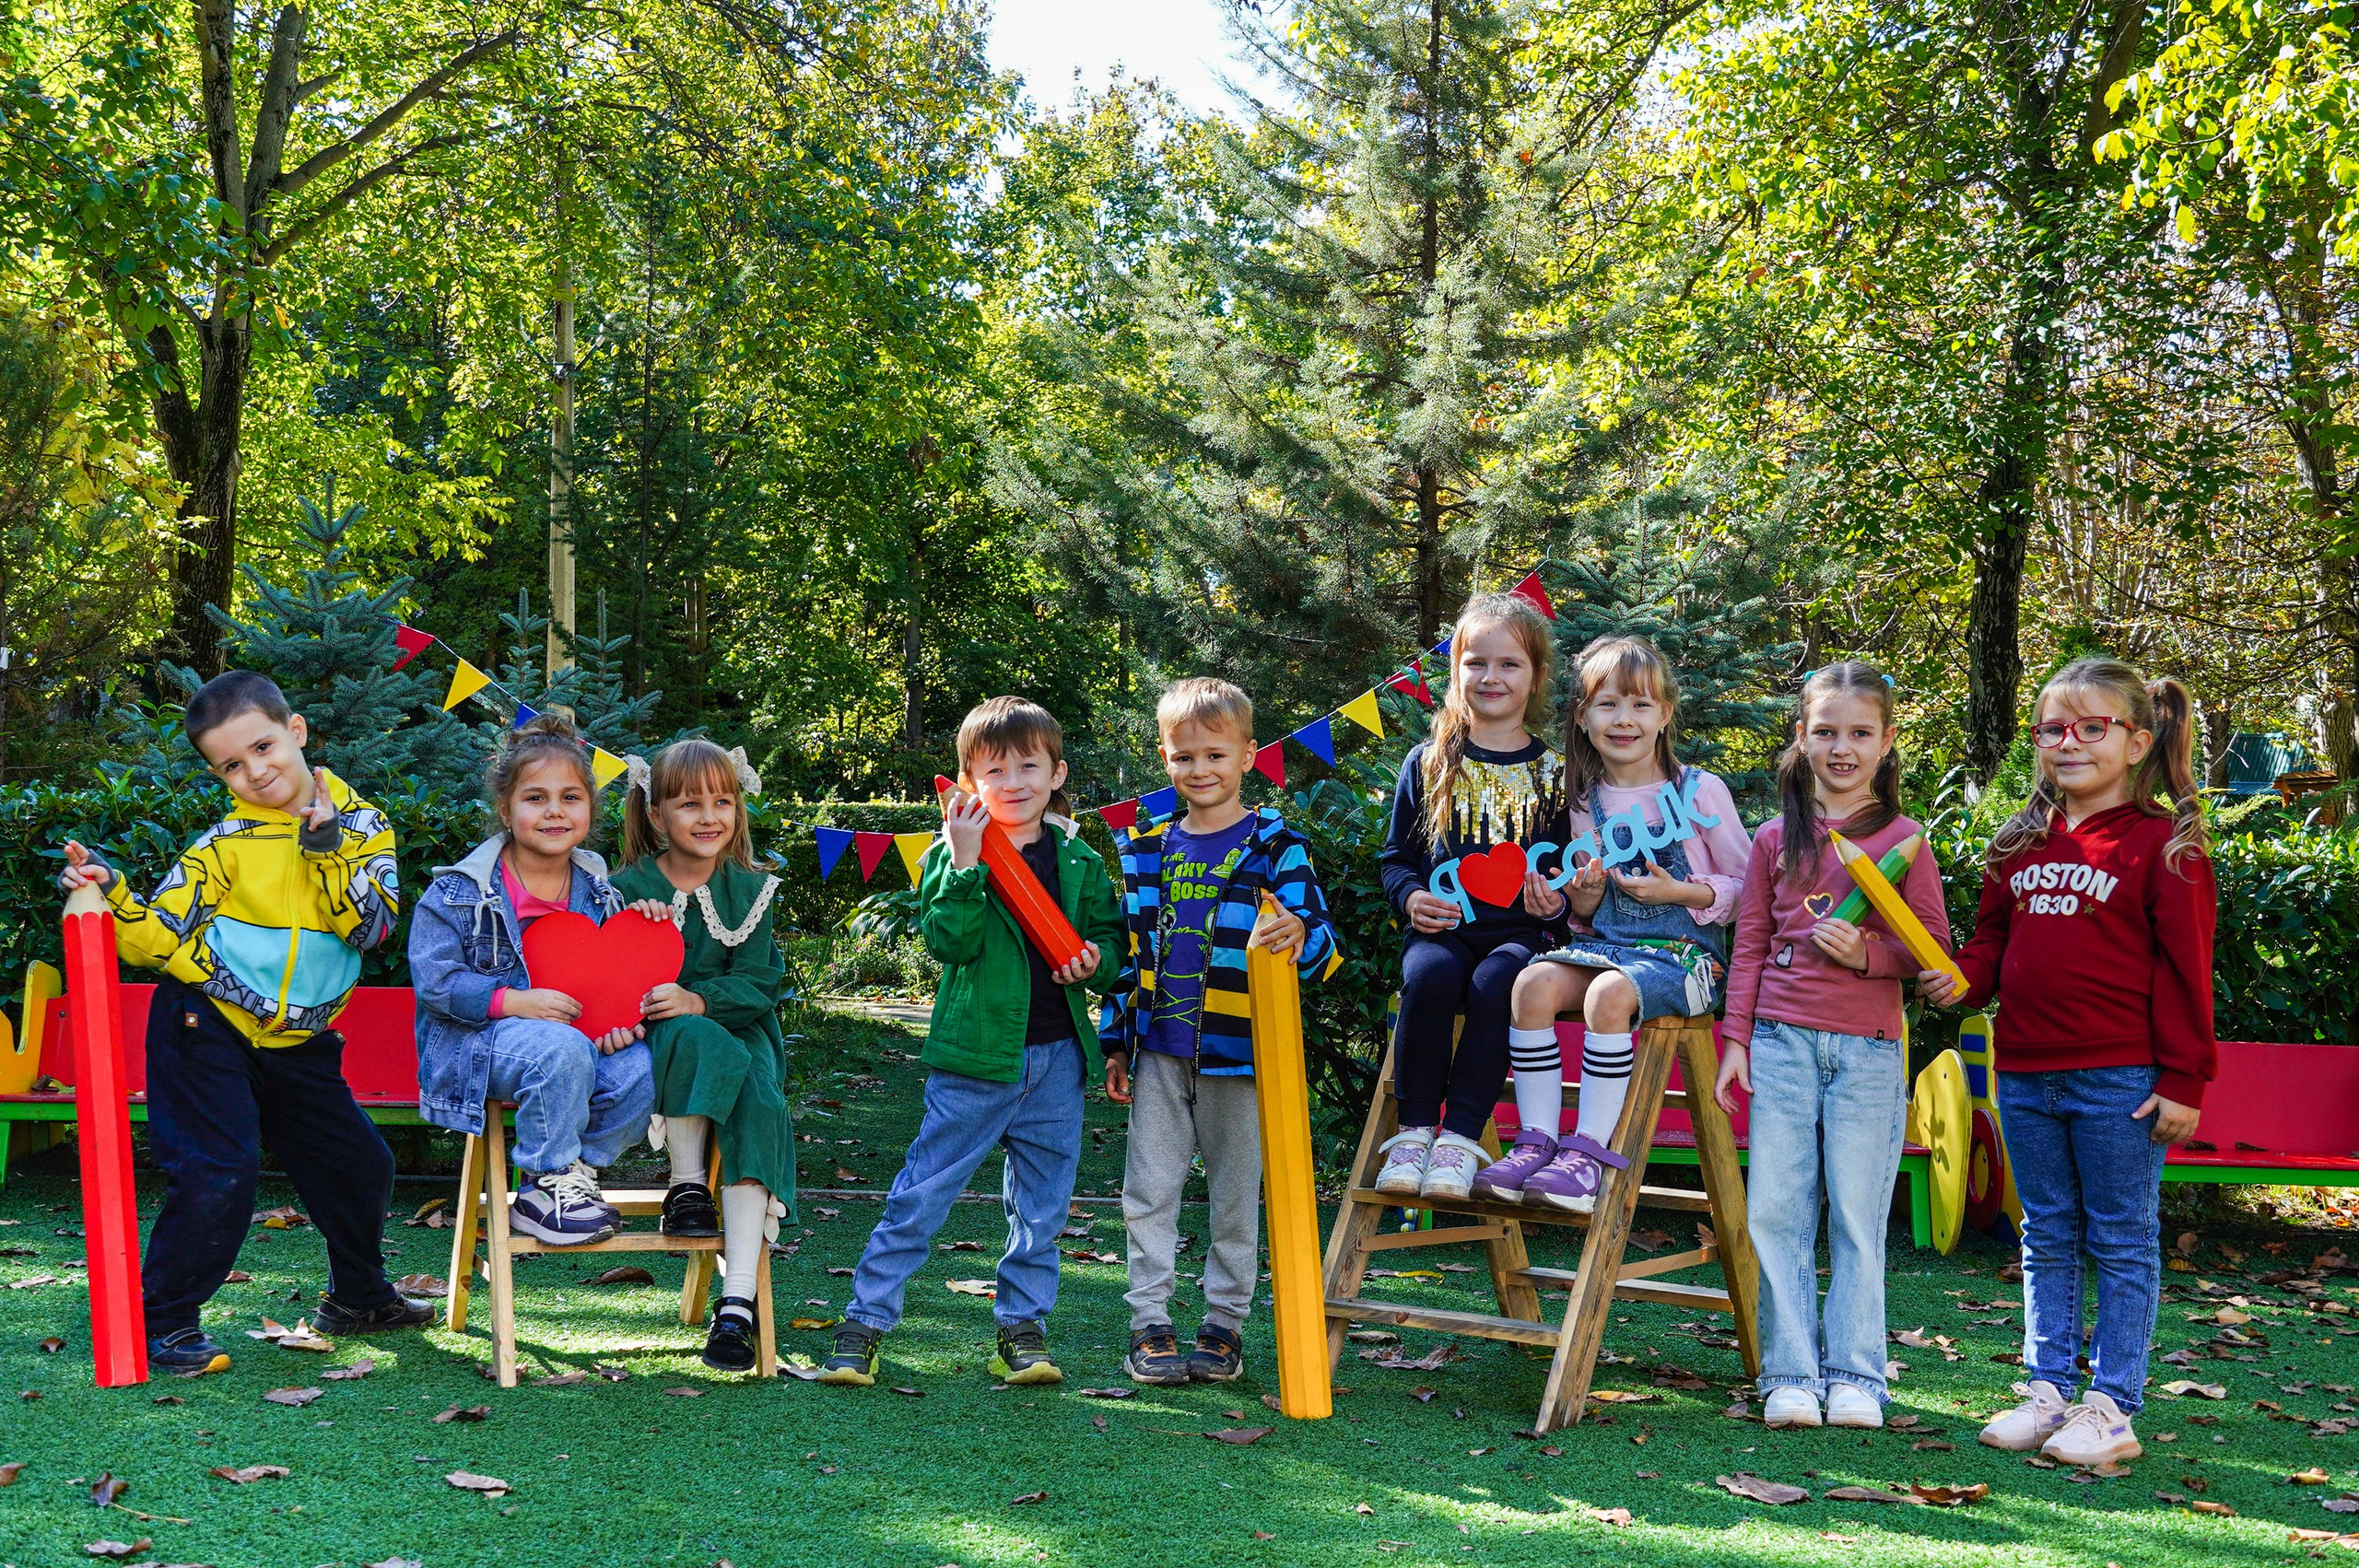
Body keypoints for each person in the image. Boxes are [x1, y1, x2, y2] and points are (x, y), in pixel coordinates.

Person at [57, 671, 429, 1373]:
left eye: (264, 747)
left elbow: (371, 928)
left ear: (296, 733)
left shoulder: (364, 824)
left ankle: (358, 1297)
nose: (255, 772)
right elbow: (155, 935)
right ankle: (161, 1322)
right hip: (204, 1021)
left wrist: (321, 851)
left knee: (360, 1165)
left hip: (299, 1042)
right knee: (218, 1169)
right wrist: (113, 894)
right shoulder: (221, 846)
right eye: (231, 763)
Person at [1948, 659, 2214, 1469]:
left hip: (2122, 1081)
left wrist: (2184, 1080)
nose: (2068, 744)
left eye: (2090, 728)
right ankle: (2048, 1392)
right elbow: (1992, 946)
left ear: (2137, 740)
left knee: (2123, 1239)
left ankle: (2113, 1406)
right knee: (2046, 1234)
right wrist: (1957, 979)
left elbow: (2186, 973)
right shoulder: (2020, 842)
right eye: (2053, 730)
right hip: (2024, 1071)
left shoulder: (2165, 847)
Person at [818, 697, 1123, 1388]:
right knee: (921, 1195)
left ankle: (1022, 1329)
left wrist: (1094, 964)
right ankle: (864, 1324)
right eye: (995, 769)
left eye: (1028, 766)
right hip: (974, 1058)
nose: (1013, 781)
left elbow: (1110, 942)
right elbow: (947, 942)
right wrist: (963, 864)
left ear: (1057, 773)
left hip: (1057, 1061)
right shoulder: (948, 853)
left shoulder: (1079, 861)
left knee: (1042, 1208)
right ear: (967, 781)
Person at [1713, 661, 1955, 1431]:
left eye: (1859, 733)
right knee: (1778, 1211)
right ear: (1802, 737)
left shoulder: (1906, 842)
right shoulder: (1775, 837)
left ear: (1887, 742)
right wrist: (1735, 1040)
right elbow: (1749, 944)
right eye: (1827, 732)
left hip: (1871, 1050)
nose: (1842, 747)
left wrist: (1867, 956)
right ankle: (1788, 1373)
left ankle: (1855, 1375)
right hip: (1781, 1042)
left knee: (1856, 1213)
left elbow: (1931, 952)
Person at [1100, 677, 1342, 1386]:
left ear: (1248, 757)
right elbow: (1129, 951)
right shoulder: (1146, 849)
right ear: (1165, 759)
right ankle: (1149, 1325)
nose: (1198, 771)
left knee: (1236, 1195)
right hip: (1158, 1057)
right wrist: (1116, 1040)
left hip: (1243, 1058)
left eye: (1214, 755)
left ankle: (1223, 1326)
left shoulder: (1277, 847)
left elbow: (1322, 944)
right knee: (1148, 1191)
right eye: (1182, 757)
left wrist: (1302, 933)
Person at [1488, 635, 1753, 1212]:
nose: (1623, 719)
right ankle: (1537, 1140)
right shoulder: (1584, 802)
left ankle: (1587, 1154)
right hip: (1610, 948)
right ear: (1583, 718)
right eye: (1607, 705)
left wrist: (1678, 891)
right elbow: (1588, 913)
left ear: (1664, 715)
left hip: (1689, 960)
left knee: (1609, 994)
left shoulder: (1699, 791)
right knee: (1531, 984)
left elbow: (1749, 890)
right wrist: (1577, 902)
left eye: (1639, 705)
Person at [410, 711, 664, 1249]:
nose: (554, 811)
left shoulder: (600, 893)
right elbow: (436, 983)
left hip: (570, 1043)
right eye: (536, 798)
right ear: (506, 809)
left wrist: (617, 1022)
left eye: (571, 797)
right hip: (477, 1046)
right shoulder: (460, 892)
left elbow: (608, 981)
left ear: (590, 809)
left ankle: (576, 1174)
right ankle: (544, 1179)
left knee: (641, 1065)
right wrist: (512, 1000)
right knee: (558, 1047)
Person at [1372, 591, 1569, 1202]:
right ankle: (1413, 1133)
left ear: (1535, 677)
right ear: (1454, 669)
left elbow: (1563, 873)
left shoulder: (1556, 774)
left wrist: (1554, 906)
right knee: (1427, 979)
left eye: (1509, 664)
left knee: (1498, 986)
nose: (1491, 676)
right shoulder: (1428, 762)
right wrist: (1410, 900)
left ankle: (1459, 1141)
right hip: (1440, 931)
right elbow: (1395, 859)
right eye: (1475, 662)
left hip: (1517, 936)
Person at [609, 740, 795, 1372]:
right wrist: (658, 971)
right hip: (657, 1037)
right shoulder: (625, 886)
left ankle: (736, 1301)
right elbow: (606, 975)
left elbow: (760, 982)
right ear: (657, 815)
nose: (710, 815)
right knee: (692, 1037)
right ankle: (686, 1186)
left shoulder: (752, 888)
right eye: (690, 804)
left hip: (744, 1033)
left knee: (760, 1102)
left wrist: (701, 997)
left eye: (724, 800)